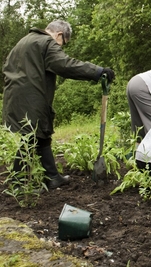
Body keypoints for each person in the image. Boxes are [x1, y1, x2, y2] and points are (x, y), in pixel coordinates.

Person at [2, 20, 115, 190]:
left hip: (14, 96)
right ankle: (17, 183)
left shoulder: (24, 41)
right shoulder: (47, 42)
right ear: (59, 35)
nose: (61, 48)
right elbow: (65, 65)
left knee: (41, 134)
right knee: (30, 137)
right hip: (31, 96)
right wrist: (97, 71)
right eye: (63, 44)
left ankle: (53, 176)